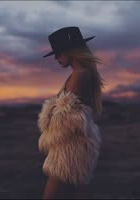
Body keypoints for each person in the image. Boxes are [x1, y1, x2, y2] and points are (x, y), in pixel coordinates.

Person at [37, 26, 105, 199]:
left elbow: (66, 119)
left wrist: (49, 120)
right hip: (75, 147)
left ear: (71, 51)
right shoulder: (80, 73)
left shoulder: (79, 75)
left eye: (58, 53)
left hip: (69, 150)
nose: (56, 58)